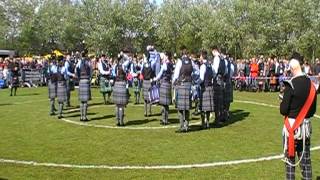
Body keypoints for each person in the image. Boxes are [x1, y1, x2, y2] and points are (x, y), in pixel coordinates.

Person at [280, 52, 317, 180]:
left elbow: (283, 110)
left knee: (290, 162)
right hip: (305, 127)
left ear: (292, 68)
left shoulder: (290, 85)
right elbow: (312, 111)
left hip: (291, 127)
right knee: (306, 162)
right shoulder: (311, 85)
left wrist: (282, 100)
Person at [172, 46, 199, 132]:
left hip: (181, 84)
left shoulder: (180, 61)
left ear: (181, 53)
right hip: (188, 85)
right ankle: (186, 126)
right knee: (187, 107)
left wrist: (173, 82)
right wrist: (193, 79)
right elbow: (197, 72)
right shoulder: (191, 61)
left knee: (180, 108)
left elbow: (176, 74)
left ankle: (181, 126)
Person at [154, 52, 173, 125]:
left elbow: (160, 74)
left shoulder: (165, 65)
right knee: (167, 104)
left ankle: (164, 119)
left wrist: (155, 79)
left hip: (164, 84)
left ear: (167, 57)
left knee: (163, 104)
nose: (163, 57)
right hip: (168, 84)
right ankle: (166, 119)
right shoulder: (171, 64)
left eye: (164, 56)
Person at [113, 50, 131, 126]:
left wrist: (121, 55)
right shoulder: (123, 65)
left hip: (116, 84)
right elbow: (129, 60)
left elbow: (113, 74)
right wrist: (124, 55)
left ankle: (117, 121)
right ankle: (121, 122)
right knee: (121, 105)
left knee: (117, 104)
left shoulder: (115, 65)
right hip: (122, 83)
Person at [212, 46, 227, 125]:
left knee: (216, 100)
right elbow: (226, 71)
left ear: (215, 51)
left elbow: (215, 70)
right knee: (221, 100)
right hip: (222, 79)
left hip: (217, 79)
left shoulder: (216, 58)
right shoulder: (223, 58)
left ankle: (217, 119)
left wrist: (213, 78)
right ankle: (222, 117)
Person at [199, 50, 214, 129]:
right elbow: (213, 75)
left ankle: (203, 123)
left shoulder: (203, 66)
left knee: (202, 107)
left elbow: (201, 78)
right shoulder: (209, 65)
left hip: (204, 87)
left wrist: (196, 82)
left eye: (200, 56)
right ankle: (207, 123)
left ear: (202, 56)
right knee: (208, 108)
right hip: (210, 87)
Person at [75, 51, 92, 121]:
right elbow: (91, 70)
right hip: (86, 80)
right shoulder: (88, 62)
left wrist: (79, 77)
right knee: (85, 101)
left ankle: (81, 117)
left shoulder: (79, 62)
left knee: (81, 101)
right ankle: (84, 117)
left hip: (81, 81)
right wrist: (90, 77)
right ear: (86, 55)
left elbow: (76, 70)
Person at [223, 55, 235, 122]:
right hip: (229, 81)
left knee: (225, 99)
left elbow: (225, 73)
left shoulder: (224, 63)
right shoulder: (231, 65)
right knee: (227, 100)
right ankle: (226, 112)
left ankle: (224, 113)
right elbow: (231, 73)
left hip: (225, 81)